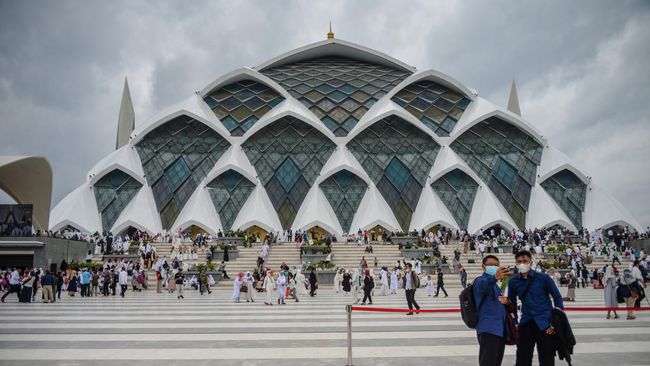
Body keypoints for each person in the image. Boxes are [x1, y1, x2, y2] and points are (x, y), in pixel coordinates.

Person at [508, 250, 564, 366]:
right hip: (526, 322)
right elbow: (511, 304)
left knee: (547, 359)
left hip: (545, 324)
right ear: (516, 263)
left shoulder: (543, 278)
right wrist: (515, 322)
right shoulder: (513, 281)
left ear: (530, 262)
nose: (522, 263)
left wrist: (555, 322)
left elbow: (557, 297)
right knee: (522, 358)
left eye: (525, 261)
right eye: (519, 262)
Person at [473, 255, 511, 366]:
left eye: (496, 265)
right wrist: (494, 277)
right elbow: (484, 285)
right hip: (488, 329)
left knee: (496, 362)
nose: (494, 267)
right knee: (488, 362)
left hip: (500, 330)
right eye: (490, 265)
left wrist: (507, 302)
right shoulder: (479, 281)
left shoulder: (495, 285)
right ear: (483, 267)